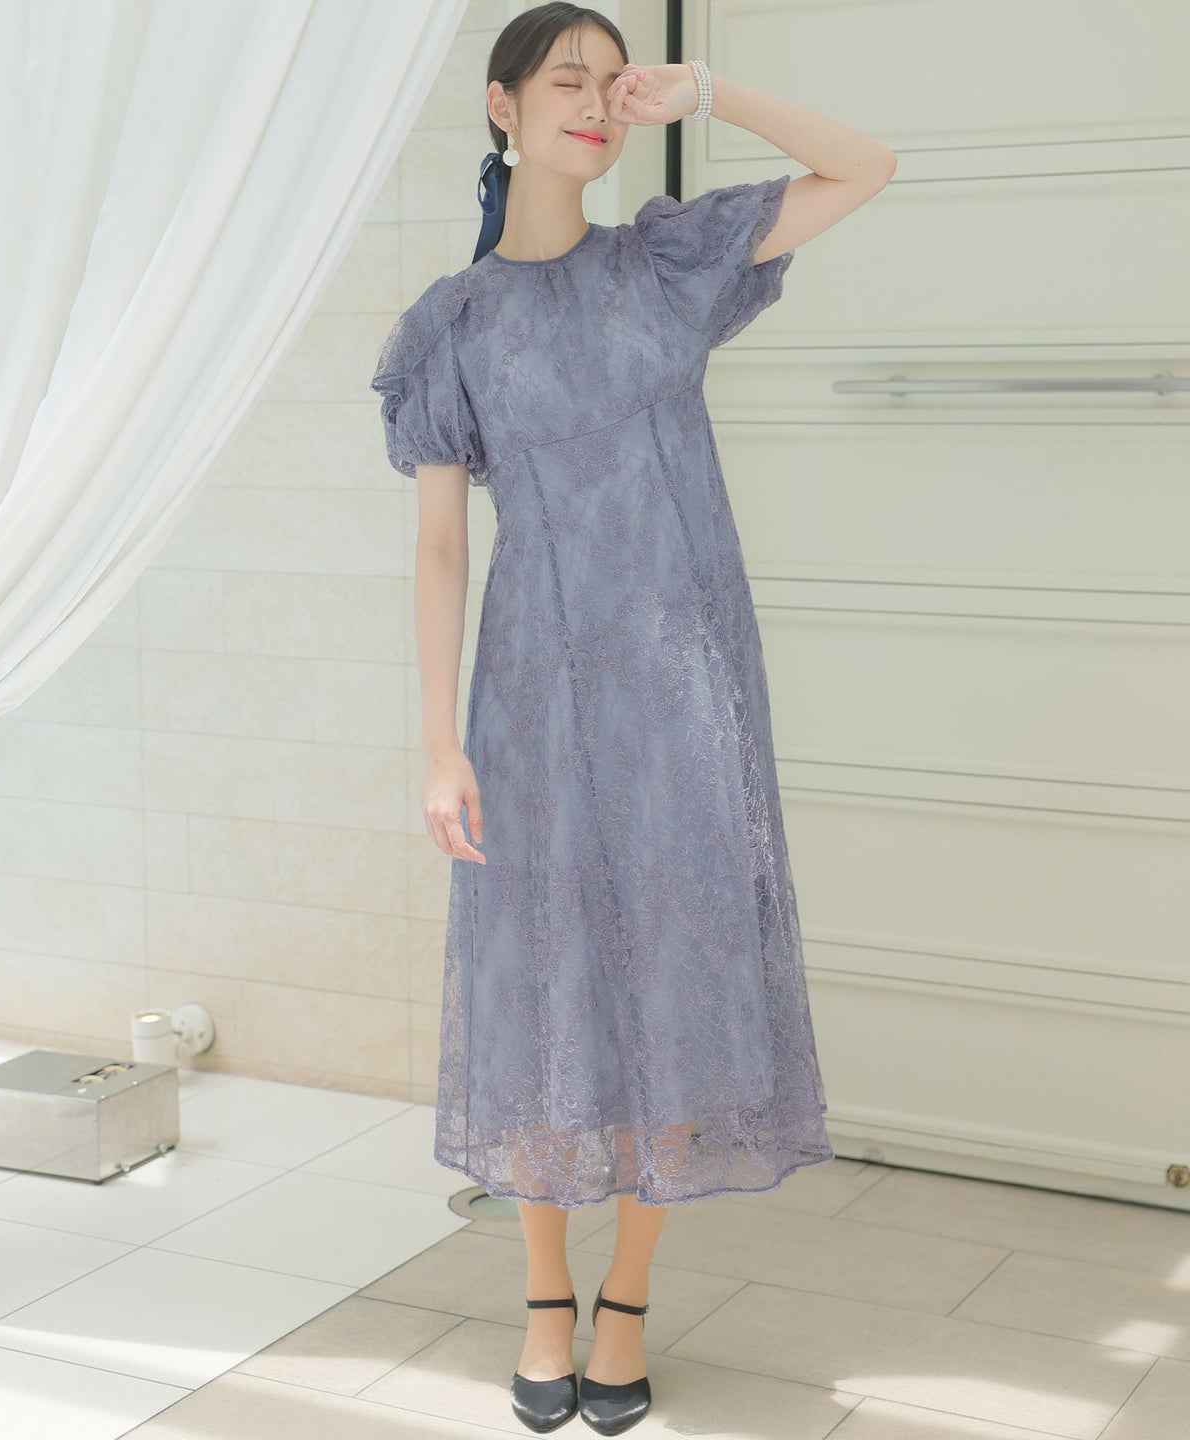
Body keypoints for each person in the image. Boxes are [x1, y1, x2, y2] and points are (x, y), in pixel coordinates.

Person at [370, 5, 895, 1432]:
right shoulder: (450, 325)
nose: (598, 103)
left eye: (615, 83)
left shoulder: (667, 263)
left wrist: (707, 88)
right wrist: (438, 743)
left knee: (677, 976)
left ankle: (629, 1301)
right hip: (532, 700)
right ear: (502, 106)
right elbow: (439, 548)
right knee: (540, 987)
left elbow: (865, 167)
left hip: (686, 692)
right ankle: (544, 1294)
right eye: (570, 81)